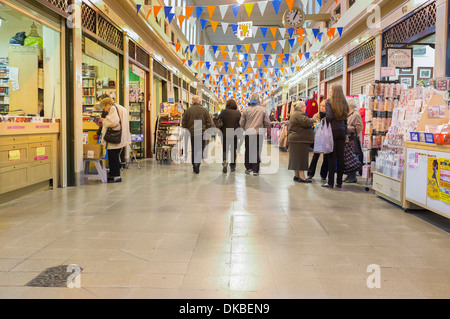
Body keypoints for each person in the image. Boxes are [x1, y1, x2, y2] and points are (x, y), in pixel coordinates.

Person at [322, 84, 349, 188]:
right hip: (342, 131)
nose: (329, 91)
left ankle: (330, 182)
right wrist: (346, 134)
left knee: (331, 157)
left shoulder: (329, 102)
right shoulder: (344, 102)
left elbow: (329, 116)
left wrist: (324, 122)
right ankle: (339, 182)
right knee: (340, 157)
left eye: (330, 89)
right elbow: (346, 120)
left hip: (332, 131)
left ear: (334, 91)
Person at [98, 97, 131, 183]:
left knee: (113, 157)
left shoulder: (113, 108)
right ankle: (114, 174)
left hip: (115, 137)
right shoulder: (120, 107)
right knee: (115, 156)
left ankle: (116, 176)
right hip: (121, 136)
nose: (104, 109)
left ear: (108, 104)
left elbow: (113, 122)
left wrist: (103, 121)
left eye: (104, 107)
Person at [240, 92, 271, 176]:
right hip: (258, 133)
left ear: (250, 99)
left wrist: (245, 129)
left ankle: (248, 168)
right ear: (258, 100)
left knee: (248, 150)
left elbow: (241, 122)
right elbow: (267, 122)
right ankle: (255, 170)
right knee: (257, 150)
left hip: (248, 133)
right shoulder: (263, 109)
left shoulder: (246, 110)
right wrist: (265, 128)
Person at [181, 95, 213, 174]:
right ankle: (197, 164)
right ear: (200, 102)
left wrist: (188, 129)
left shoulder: (188, 110)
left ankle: (194, 164)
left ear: (192, 102)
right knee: (200, 148)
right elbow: (209, 123)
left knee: (194, 148)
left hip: (192, 132)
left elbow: (184, 123)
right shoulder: (205, 110)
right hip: (201, 132)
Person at [288, 101, 316, 183]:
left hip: (295, 139)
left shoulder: (294, 113)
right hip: (300, 140)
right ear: (301, 108)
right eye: (305, 107)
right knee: (301, 158)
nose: (305, 109)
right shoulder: (299, 114)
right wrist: (314, 120)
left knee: (296, 159)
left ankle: (296, 176)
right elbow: (306, 122)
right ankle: (302, 177)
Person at [218, 99, 241, 173]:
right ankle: (232, 166)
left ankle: (225, 162)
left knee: (225, 149)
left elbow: (218, 121)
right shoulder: (238, 113)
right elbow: (240, 124)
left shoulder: (223, 112)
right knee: (233, 150)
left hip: (224, 134)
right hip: (234, 135)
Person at [307, 100, 328, 181]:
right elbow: (312, 126)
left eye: (324, 106)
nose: (321, 108)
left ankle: (323, 175)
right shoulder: (316, 116)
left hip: (326, 139)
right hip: (318, 138)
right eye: (321, 106)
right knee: (315, 156)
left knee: (326, 157)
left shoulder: (329, 116)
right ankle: (310, 173)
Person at [344, 98, 363, 183]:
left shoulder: (356, 114)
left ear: (350, 105)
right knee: (349, 158)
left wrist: (347, 128)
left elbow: (359, 127)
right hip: (348, 138)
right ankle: (349, 175)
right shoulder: (348, 114)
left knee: (353, 157)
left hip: (353, 138)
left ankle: (353, 176)